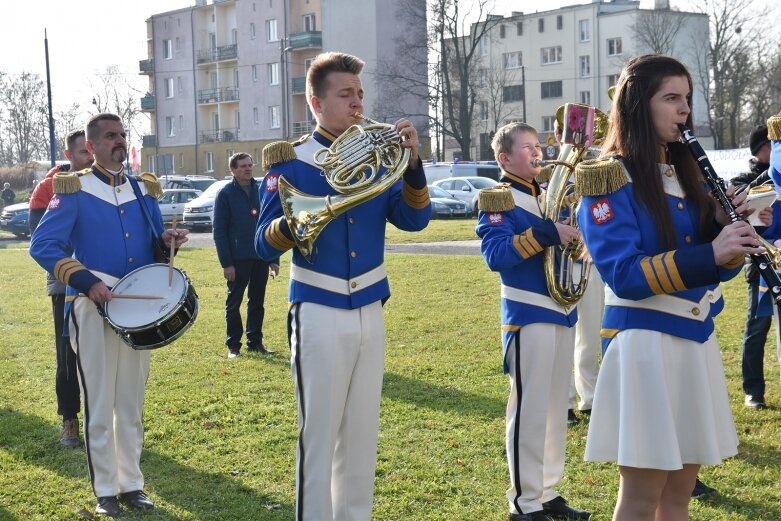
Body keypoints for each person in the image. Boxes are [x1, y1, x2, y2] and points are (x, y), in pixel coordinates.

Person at [576, 54, 756, 520]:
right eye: (671, 98)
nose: (684, 111)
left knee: (679, 496)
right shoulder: (609, 178)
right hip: (645, 349)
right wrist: (711, 252)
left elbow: (714, 271)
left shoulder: (688, 173)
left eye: (687, 99)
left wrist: (728, 236)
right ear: (639, 105)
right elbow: (625, 275)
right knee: (640, 498)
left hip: (695, 344)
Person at [255, 51, 431, 521]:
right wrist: (306, 220)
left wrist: (412, 165)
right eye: (345, 94)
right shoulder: (290, 163)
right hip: (317, 308)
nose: (357, 103)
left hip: (370, 306)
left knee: (361, 434)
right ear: (316, 102)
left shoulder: (381, 154)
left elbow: (414, 220)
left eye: (359, 93)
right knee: (319, 434)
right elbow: (263, 244)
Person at [29, 113, 188, 518]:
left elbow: (153, 246)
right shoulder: (74, 188)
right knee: (99, 402)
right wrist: (84, 282)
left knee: (130, 402)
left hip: (137, 309)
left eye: (122, 135)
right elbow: (43, 245)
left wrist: (167, 241)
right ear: (93, 146)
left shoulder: (142, 189)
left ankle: (131, 484)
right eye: (111, 137)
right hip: (92, 304)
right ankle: (105, 491)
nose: (120, 141)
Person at [476, 122, 590, 521]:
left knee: (557, 407)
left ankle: (547, 491)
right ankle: (524, 503)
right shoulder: (498, 198)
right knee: (529, 409)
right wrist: (547, 232)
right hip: (528, 312)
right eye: (528, 148)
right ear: (505, 158)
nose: (538, 152)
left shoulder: (550, 194)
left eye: (539, 145)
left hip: (562, 309)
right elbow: (496, 256)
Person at [28, 129, 93, 448]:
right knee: (68, 354)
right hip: (65, 284)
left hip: (108, 283)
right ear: (69, 155)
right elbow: (44, 242)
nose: (90, 157)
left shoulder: (106, 183)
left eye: (91, 151)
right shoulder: (48, 188)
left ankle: (103, 418)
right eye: (83, 152)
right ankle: (70, 419)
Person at [213, 152, 279, 358]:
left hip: (260, 256)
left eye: (250, 165)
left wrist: (273, 258)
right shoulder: (225, 194)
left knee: (257, 301)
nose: (248, 169)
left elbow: (270, 224)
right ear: (233, 170)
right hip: (237, 259)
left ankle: (255, 342)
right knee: (234, 303)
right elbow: (219, 232)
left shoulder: (261, 190)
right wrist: (227, 264)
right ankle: (233, 345)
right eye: (242, 166)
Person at [730, 124, 776, 410]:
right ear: (764, 148)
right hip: (760, 266)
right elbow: (739, 197)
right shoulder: (746, 178)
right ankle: (753, 391)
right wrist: (773, 174)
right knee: (757, 328)